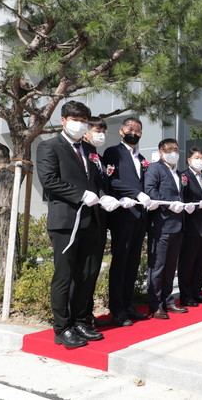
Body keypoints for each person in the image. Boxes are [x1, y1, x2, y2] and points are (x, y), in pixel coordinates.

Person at [36, 101, 110, 347]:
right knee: (64, 276)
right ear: (63, 120)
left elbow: (95, 181)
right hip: (66, 222)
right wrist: (80, 195)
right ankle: (62, 328)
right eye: (75, 120)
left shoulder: (88, 149)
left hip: (91, 220)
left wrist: (103, 195)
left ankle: (79, 321)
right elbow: (49, 180)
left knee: (87, 274)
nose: (80, 125)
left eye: (84, 121)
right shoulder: (49, 147)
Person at [102, 117, 152, 327]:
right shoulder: (113, 152)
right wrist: (135, 193)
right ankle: (117, 309)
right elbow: (112, 180)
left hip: (140, 215)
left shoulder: (142, 158)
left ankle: (128, 304)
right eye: (130, 128)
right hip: (123, 214)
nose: (134, 132)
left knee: (133, 262)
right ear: (122, 131)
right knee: (120, 261)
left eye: (138, 130)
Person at [80, 117, 119, 327]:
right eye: (97, 130)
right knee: (83, 270)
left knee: (93, 269)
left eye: (103, 131)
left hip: (100, 219)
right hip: (85, 217)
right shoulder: (82, 153)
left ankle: (88, 313)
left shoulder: (99, 157)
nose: (101, 134)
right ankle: (81, 315)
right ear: (86, 131)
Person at [144, 138, 187, 319]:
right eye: (169, 149)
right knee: (158, 267)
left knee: (170, 266)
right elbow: (150, 190)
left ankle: (168, 300)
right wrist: (170, 203)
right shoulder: (155, 168)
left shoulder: (178, 172)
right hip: (161, 224)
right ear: (161, 152)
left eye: (176, 149)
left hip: (178, 224)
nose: (173, 152)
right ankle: (155, 305)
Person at [178, 147, 202, 307]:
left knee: (200, 261)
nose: (200, 161)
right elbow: (182, 197)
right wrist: (197, 205)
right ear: (189, 160)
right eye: (197, 158)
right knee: (188, 261)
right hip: (190, 224)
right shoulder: (184, 176)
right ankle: (186, 295)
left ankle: (197, 292)